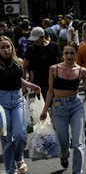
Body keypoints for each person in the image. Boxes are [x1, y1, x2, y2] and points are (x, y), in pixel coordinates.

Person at [40, 41, 86, 174]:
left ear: (76, 54)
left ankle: (77, 172)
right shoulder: (54, 69)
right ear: (62, 54)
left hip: (76, 106)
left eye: (72, 53)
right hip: (58, 107)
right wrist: (45, 110)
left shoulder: (82, 71)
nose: (69, 56)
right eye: (66, 53)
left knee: (78, 142)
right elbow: (50, 91)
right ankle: (64, 155)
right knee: (63, 142)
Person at [0, 36, 41, 174]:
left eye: (8, 46)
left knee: (21, 134)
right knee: (6, 138)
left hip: (17, 100)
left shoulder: (18, 62)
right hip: (1, 102)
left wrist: (31, 85)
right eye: (2, 47)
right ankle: (11, 170)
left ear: (12, 47)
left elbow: (18, 80)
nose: (6, 49)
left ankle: (19, 157)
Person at [22, 27, 64, 100]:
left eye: (36, 40)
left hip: (54, 80)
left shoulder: (54, 46)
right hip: (38, 83)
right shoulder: (31, 49)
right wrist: (23, 85)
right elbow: (24, 66)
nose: (34, 42)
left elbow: (63, 62)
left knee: (55, 103)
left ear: (43, 37)